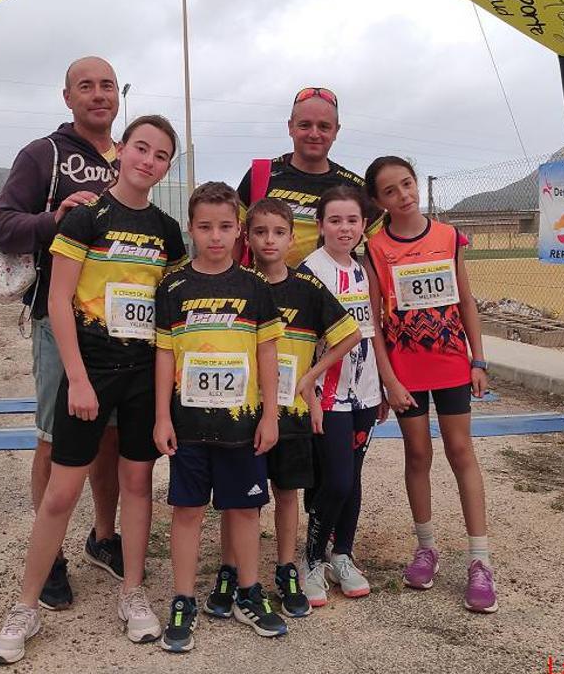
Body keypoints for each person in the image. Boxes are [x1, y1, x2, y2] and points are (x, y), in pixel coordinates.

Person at [0, 116, 188, 665]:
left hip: (142, 374)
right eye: (141, 148)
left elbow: (170, 306)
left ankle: (133, 592)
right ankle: (25, 606)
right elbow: (58, 301)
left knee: (138, 485)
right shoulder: (85, 217)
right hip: (92, 370)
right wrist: (76, 377)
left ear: (167, 168)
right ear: (120, 150)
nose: (148, 161)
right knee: (61, 492)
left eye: (161, 156)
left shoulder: (168, 231)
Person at [0, 56, 123, 609]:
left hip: (119, 324)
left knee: (111, 436)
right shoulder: (44, 153)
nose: (98, 94)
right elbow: (2, 224)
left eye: (107, 85)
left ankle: (104, 537)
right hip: (59, 318)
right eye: (86, 86)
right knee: (54, 436)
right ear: (67, 97)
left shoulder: (129, 156)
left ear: (119, 95)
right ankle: (51, 558)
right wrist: (54, 218)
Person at [203, 197, 361, 618]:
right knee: (240, 499)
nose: (269, 240)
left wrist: (310, 380)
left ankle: (287, 568)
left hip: (291, 413)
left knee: (287, 493)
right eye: (260, 232)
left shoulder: (307, 288)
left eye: (278, 232)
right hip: (245, 414)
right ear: (247, 237)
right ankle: (230, 569)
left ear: (292, 238)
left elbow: (350, 335)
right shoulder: (238, 284)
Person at [153, 182, 287, 653]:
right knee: (187, 511)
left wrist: (270, 415)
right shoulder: (173, 287)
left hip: (242, 426)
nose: (215, 236)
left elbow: (268, 355)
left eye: (225, 226)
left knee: (245, 510)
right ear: (190, 228)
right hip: (188, 426)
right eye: (205, 227)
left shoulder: (254, 287)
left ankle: (248, 592)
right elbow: (164, 356)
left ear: (239, 231)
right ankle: (183, 599)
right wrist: (161, 418)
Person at [363, 155, 498, 614]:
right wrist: (388, 379)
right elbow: (373, 321)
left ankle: (480, 560)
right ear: (378, 201)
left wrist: (478, 360)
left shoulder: (448, 237)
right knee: (417, 454)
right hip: (406, 371)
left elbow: (466, 301)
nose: (403, 195)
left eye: (407, 183)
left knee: (461, 451)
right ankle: (426, 548)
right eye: (390, 191)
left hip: (452, 365)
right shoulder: (375, 248)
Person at [297, 185, 383, 605]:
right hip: (327, 395)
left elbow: (372, 330)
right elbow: (301, 338)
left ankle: (342, 554)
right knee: (335, 479)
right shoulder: (309, 271)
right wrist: (309, 391)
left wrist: (382, 385)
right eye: (335, 220)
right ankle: (312, 558)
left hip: (365, 391)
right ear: (320, 225)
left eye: (352, 220)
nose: (344, 228)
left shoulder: (365, 271)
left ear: (364, 225)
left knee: (354, 478)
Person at [236, 87, 376, 267]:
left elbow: (386, 244)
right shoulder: (260, 174)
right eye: (305, 125)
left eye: (324, 126)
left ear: (336, 131)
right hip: (263, 284)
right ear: (290, 127)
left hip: (333, 286)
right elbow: (233, 237)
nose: (314, 134)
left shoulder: (355, 188)